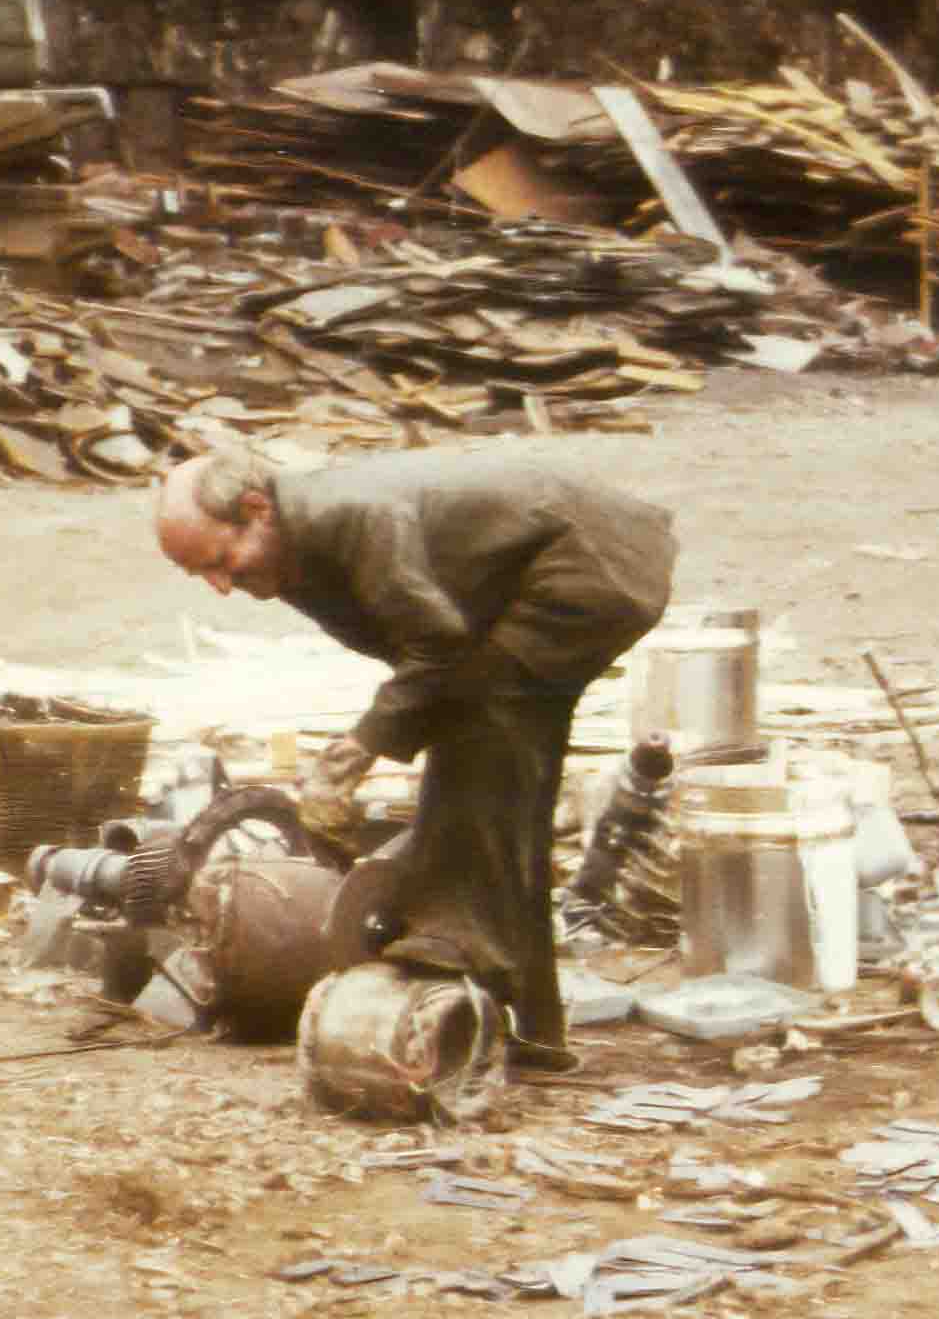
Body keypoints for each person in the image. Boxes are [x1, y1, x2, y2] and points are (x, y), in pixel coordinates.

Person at [151, 445, 675, 1067]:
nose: (221, 586)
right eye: (202, 576)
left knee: (480, 735)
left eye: (220, 562)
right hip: (540, 568)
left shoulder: (350, 520)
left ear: (256, 509)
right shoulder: (289, 543)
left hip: (592, 564)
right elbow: (423, 651)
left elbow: (439, 649)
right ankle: (534, 1026)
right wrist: (384, 733)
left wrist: (359, 749)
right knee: (503, 784)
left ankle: (456, 943)